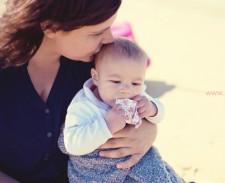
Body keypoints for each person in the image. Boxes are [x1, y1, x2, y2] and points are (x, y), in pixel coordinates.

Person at [0, 0, 159, 182]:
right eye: (96, 33)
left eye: (110, 27)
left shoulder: (91, 66)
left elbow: (135, 102)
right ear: (51, 26)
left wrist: (148, 130)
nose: (110, 39)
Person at [58, 38, 183, 183]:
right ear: (96, 77)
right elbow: (72, 145)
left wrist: (152, 108)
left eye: (136, 83)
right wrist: (107, 124)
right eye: (116, 82)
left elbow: (160, 114)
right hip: (97, 174)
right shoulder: (83, 105)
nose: (125, 89)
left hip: (137, 164)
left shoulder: (137, 96)